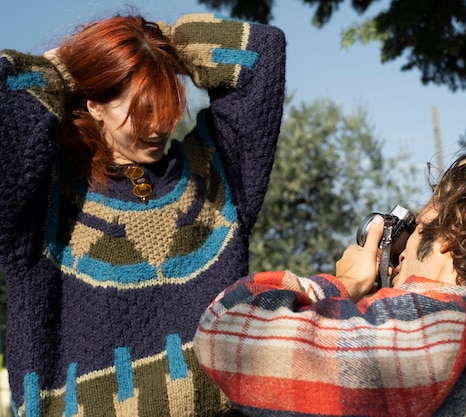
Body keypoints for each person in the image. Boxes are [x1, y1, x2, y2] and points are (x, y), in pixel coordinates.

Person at [0, 10, 285, 417]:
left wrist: (160, 43)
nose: (158, 128)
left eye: (167, 107)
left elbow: (261, 53)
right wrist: (71, 65)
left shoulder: (216, 174)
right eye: (142, 111)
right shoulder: (40, 198)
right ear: (94, 103)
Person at [193, 138, 466, 417]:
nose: (400, 251)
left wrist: (343, 284)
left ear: (452, 237)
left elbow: (224, 330)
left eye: (420, 227)